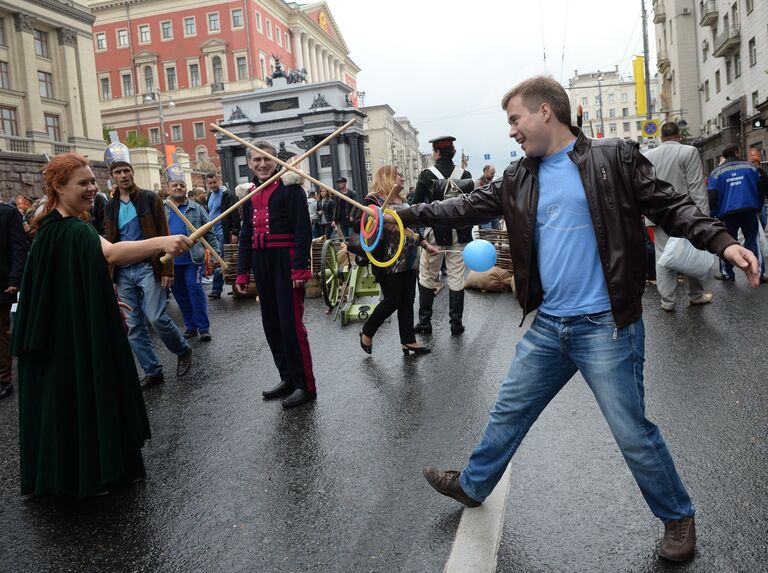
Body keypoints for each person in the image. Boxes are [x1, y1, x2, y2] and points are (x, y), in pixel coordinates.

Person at [389, 76, 758, 563]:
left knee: (631, 430)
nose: (512, 131)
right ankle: (474, 486)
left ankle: (677, 516)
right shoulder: (519, 177)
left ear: (545, 112)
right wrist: (402, 214)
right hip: (549, 326)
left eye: (515, 119)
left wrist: (722, 241)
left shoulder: (613, 158)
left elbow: (670, 205)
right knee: (508, 412)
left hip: (608, 326)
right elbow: (461, 205)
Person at [11, 152, 191, 497]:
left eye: (93, 181)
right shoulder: (73, 229)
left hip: (61, 330)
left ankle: (67, 471)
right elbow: (110, 254)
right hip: (71, 333)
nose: (93, 188)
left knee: (65, 397)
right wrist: (162, 242)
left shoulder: (50, 225)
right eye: (83, 183)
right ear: (58, 187)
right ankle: (91, 473)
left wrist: (101, 298)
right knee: (83, 391)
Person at [104, 140, 193, 390]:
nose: (123, 175)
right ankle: (153, 370)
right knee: (133, 325)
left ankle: (183, 349)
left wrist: (167, 269)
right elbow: (110, 243)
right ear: (112, 176)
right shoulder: (109, 206)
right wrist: (110, 278)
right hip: (123, 272)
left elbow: (164, 234)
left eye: (126, 170)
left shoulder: (149, 198)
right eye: (118, 172)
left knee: (155, 317)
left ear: (132, 172)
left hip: (148, 267)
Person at [235, 142, 316, 409]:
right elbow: (246, 235)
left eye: (266, 159)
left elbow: (303, 229)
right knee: (271, 325)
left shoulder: (290, 187)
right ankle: (288, 378)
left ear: (275, 160)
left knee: (291, 325)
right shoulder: (249, 193)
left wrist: (300, 267)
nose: (262, 164)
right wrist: (242, 272)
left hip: (285, 260)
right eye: (256, 160)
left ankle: (305, 385)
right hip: (262, 261)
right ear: (249, 163)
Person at [358, 166, 438, 356]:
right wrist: (382, 221)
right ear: (388, 177)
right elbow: (361, 226)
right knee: (393, 300)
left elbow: (413, 228)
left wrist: (425, 244)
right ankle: (367, 332)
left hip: (408, 257)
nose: (402, 177)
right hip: (388, 259)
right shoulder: (373, 200)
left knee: (408, 300)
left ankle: (408, 340)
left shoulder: (403, 200)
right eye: (398, 174)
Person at [644, 122, 713, 310]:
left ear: (661, 137)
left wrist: (647, 218)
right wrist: (703, 218)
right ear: (679, 135)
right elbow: (696, 186)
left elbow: (646, 189)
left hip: (659, 216)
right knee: (691, 251)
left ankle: (667, 301)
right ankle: (695, 295)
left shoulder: (648, 155)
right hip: (686, 213)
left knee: (662, 257)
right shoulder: (688, 152)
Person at [412, 135, 473, 336]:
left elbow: (416, 205)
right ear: (453, 152)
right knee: (456, 276)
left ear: (437, 153)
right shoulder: (465, 174)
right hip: (460, 233)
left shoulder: (426, 175)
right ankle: (456, 324)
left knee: (428, 275)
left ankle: (425, 322)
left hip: (435, 233)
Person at [163, 165, 218, 341]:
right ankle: (190, 326)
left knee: (194, 290)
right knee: (179, 294)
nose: (179, 188)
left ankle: (203, 328)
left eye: (181, 185)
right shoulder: (161, 208)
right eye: (175, 185)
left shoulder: (196, 208)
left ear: (186, 188)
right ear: (168, 188)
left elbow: (209, 231)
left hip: (193, 260)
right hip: (170, 261)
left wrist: (215, 253)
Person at [707, 144, 763, 282]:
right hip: (749, 210)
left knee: (726, 243)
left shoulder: (715, 173)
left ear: (724, 156)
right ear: (737, 152)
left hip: (727, 214)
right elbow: (760, 188)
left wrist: (713, 213)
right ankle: (758, 272)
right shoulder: (750, 167)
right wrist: (759, 206)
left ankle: (727, 273)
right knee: (752, 241)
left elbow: (712, 197)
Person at [0, 201, 28, 400]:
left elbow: (19, 247)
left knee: (1, 333)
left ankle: (4, 379)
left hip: (2, 282)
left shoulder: (8, 213)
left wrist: (14, 279)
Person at [206, 172, 241, 300]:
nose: (213, 185)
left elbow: (234, 213)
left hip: (224, 233)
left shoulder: (227, 194)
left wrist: (235, 232)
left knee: (221, 260)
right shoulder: (210, 195)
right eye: (210, 183)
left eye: (214, 182)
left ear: (218, 180)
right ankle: (235, 286)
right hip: (214, 233)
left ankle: (216, 289)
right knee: (227, 259)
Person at [476, 165, 501, 230]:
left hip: (493, 212)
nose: (493, 175)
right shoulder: (478, 182)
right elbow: (476, 198)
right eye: (492, 173)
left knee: (496, 231)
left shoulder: (492, 182)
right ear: (486, 172)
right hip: (484, 213)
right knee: (487, 233)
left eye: (494, 173)